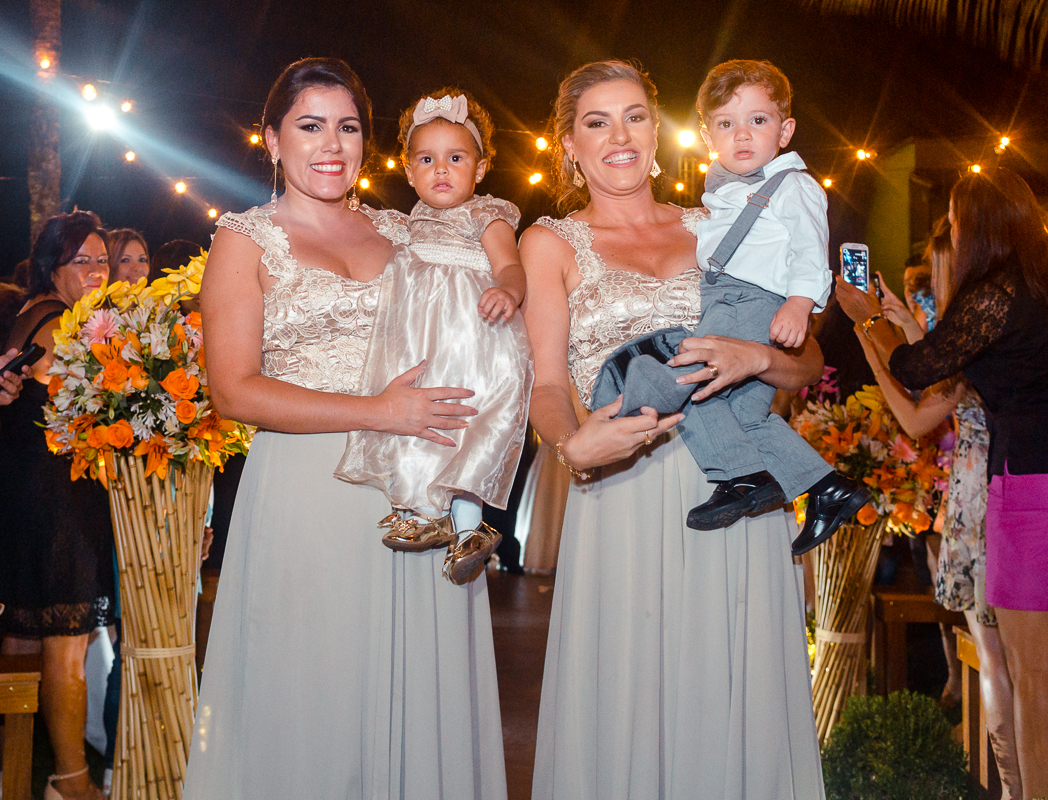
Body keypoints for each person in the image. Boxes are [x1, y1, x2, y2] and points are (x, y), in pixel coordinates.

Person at [180, 58, 506, 800]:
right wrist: (376, 411)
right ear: (271, 140)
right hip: (306, 493)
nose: (332, 144)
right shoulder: (246, 239)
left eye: (348, 127)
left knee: (418, 685)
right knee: (312, 687)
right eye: (310, 125)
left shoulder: (407, 231)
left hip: (416, 487)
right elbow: (233, 390)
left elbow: (485, 302)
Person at [520, 59, 825, 800]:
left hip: (733, 493)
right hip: (623, 492)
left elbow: (805, 362)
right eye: (597, 121)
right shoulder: (551, 244)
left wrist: (756, 355)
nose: (619, 136)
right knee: (629, 700)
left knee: (734, 695)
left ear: (658, 133)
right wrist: (571, 444)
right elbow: (549, 383)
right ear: (569, 145)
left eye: (634, 116)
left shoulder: (722, 221)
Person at [591, 59, 867, 556]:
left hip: (748, 300)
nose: (742, 135)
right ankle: (826, 488)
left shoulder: (792, 184)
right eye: (726, 124)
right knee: (745, 413)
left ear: (785, 130)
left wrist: (800, 304)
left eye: (757, 121)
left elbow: (810, 250)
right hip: (729, 297)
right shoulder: (722, 194)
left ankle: (741, 475)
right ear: (706, 135)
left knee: (693, 384)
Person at [837, 167, 1048, 799]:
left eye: (955, 221)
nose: (951, 233)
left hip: (1029, 491)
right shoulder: (1036, 287)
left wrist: (866, 317)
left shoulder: (996, 291)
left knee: (1032, 681)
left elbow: (916, 368)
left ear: (979, 228)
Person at [336, 88, 532, 584]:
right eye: (427, 159)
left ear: (481, 169)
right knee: (421, 425)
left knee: (467, 425)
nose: (441, 169)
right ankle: (423, 514)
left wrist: (507, 291)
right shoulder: (408, 225)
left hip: (475, 338)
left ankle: (471, 530)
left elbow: (511, 266)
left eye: (455, 158)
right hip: (422, 343)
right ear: (407, 170)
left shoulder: (484, 216)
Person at [0, 212, 114, 800]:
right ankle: (70, 781)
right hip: (57, 505)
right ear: (53, 266)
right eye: (83, 261)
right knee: (66, 647)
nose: (97, 271)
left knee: (22, 641)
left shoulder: (29, 314)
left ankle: (14, 768)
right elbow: (84, 406)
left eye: (102, 259)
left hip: (27, 500)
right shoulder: (57, 324)